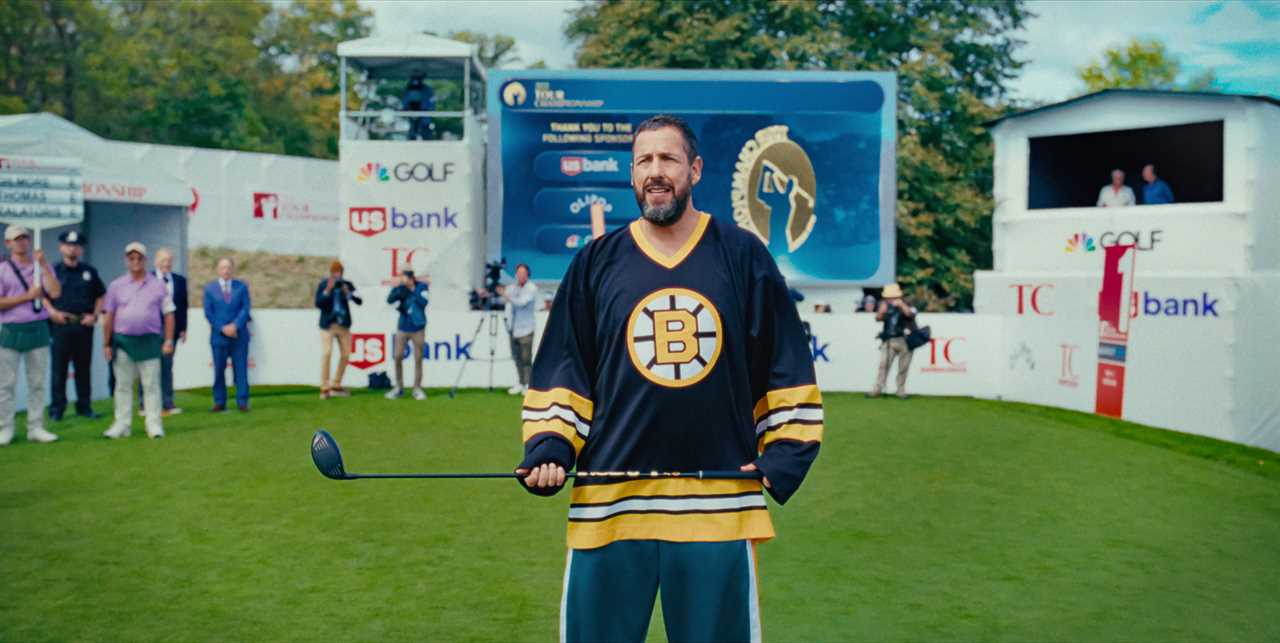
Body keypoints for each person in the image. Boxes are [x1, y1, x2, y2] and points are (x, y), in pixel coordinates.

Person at [515, 115, 823, 641]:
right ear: (632, 174)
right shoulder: (594, 263)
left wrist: (787, 451)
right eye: (644, 161)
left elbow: (785, 362)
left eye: (669, 159)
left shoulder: (743, 256)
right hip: (611, 506)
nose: (656, 172)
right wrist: (550, 446)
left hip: (718, 507)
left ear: (695, 170)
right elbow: (565, 370)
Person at [101, 242, 174, 439]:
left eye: (139, 258)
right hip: (123, 342)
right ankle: (122, 425)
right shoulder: (116, 285)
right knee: (122, 385)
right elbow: (109, 316)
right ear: (126, 261)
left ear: (145, 260)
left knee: (151, 385)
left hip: (149, 342)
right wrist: (106, 343)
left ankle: (154, 425)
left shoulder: (159, 285)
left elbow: (168, 314)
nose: (135, 262)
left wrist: (168, 340)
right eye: (131, 258)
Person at [0, 225, 62, 445]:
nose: (21, 242)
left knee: (37, 382)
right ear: (8, 243)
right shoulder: (3, 269)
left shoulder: (39, 267)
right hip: (10, 329)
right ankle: (5, 428)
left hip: (37, 327)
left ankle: (36, 427)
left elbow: (54, 292)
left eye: (24, 238)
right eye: (16, 239)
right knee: (6, 384)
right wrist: (26, 297)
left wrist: (44, 264)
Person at [45, 230, 105, 421]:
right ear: (61, 247)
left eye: (76, 245)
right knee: (59, 371)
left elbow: (100, 295)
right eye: (69, 245)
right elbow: (42, 296)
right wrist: (52, 313)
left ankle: (84, 406)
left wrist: (94, 316)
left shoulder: (89, 271)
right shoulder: (54, 271)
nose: (73, 248)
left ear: (80, 249)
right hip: (61, 326)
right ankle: (57, 410)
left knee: (83, 369)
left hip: (83, 326)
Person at [137, 248, 187, 416]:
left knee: (167, 367)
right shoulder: (147, 279)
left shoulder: (180, 281)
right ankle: (144, 405)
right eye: (164, 260)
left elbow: (183, 306)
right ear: (156, 261)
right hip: (150, 330)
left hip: (171, 332)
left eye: (170, 260)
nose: (167, 263)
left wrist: (183, 328)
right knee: (147, 367)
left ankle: (168, 403)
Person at [202, 257, 250, 412]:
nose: (226, 270)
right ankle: (219, 401)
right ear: (218, 269)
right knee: (219, 370)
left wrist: (235, 325)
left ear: (233, 269)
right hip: (219, 337)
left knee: (241, 369)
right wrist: (223, 328)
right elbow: (209, 313)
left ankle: (242, 401)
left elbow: (245, 309)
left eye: (229, 267)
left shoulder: (241, 287)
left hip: (239, 336)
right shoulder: (210, 289)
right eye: (223, 267)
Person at [316, 260, 361, 400]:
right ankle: (324, 387)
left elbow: (359, 301)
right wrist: (328, 290)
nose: (337, 275)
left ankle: (336, 384)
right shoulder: (323, 284)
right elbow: (318, 303)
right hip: (327, 325)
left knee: (346, 355)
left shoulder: (347, 284)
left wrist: (348, 293)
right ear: (331, 273)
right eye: (334, 272)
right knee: (327, 353)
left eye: (339, 272)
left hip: (343, 325)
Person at [384, 263, 429, 400]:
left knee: (418, 358)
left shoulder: (422, 287)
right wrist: (399, 289)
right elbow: (390, 300)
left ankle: (417, 388)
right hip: (403, 326)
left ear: (410, 276)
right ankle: (399, 387)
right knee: (397, 356)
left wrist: (411, 289)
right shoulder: (400, 288)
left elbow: (423, 302)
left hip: (418, 327)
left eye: (404, 275)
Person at [869, 282, 917, 399]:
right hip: (888, 340)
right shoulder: (884, 305)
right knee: (883, 365)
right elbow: (878, 318)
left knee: (903, 367)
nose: (889, 300)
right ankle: (877, 389)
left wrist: (901, 305)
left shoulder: (906, 304)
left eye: (892, 297)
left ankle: (900, 390)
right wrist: (882, 310)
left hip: (905, 340)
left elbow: (911, 315)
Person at [499, 263, 539, 395]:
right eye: (518, 273)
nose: (520, 276)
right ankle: (520, 382)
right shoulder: (512, 288)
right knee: (517, 358)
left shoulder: (531, 288)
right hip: (513, 328)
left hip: (526, 328)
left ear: (528, 275)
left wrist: (507, 296)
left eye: (523, 273)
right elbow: (503, 301)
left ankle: (529, 384)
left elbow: (521, 303)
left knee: (526, 358)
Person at [402, 74, 435, 141]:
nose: (416, 81)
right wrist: (407, 111)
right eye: (414, 78)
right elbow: (405, 103)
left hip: (424, 116)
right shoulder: (408, 89)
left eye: (418, 78)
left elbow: (431, 104)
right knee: (412, 134)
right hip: (411, 116)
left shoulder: (427, 90)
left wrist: (426, 112)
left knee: (426, 134)